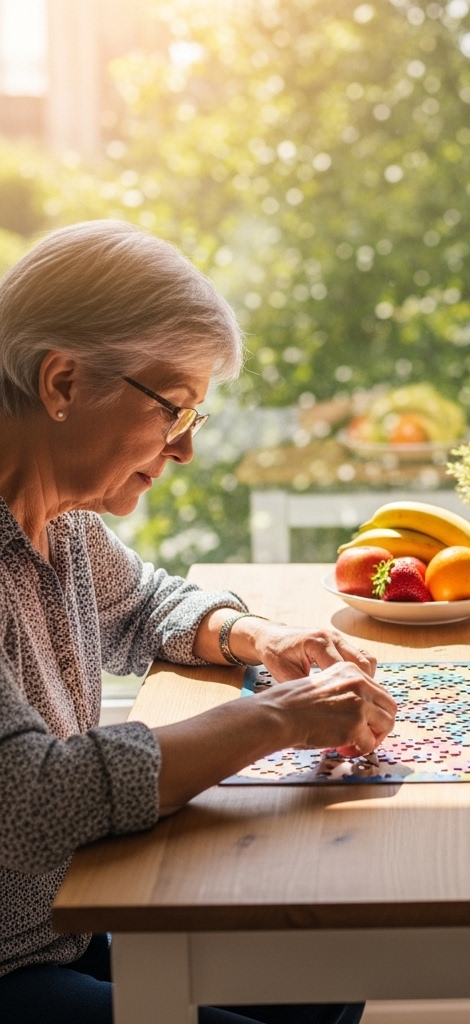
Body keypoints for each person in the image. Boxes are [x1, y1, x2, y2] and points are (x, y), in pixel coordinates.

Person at [0, 221, 397, 1024]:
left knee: (326, 971)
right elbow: (27, 800)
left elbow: (145, 603)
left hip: (65, 925)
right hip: (11, 963)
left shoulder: (61, 518)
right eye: (173, 409)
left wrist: (259, 639)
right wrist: (275, 718)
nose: (184, 451)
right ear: (63, 383)